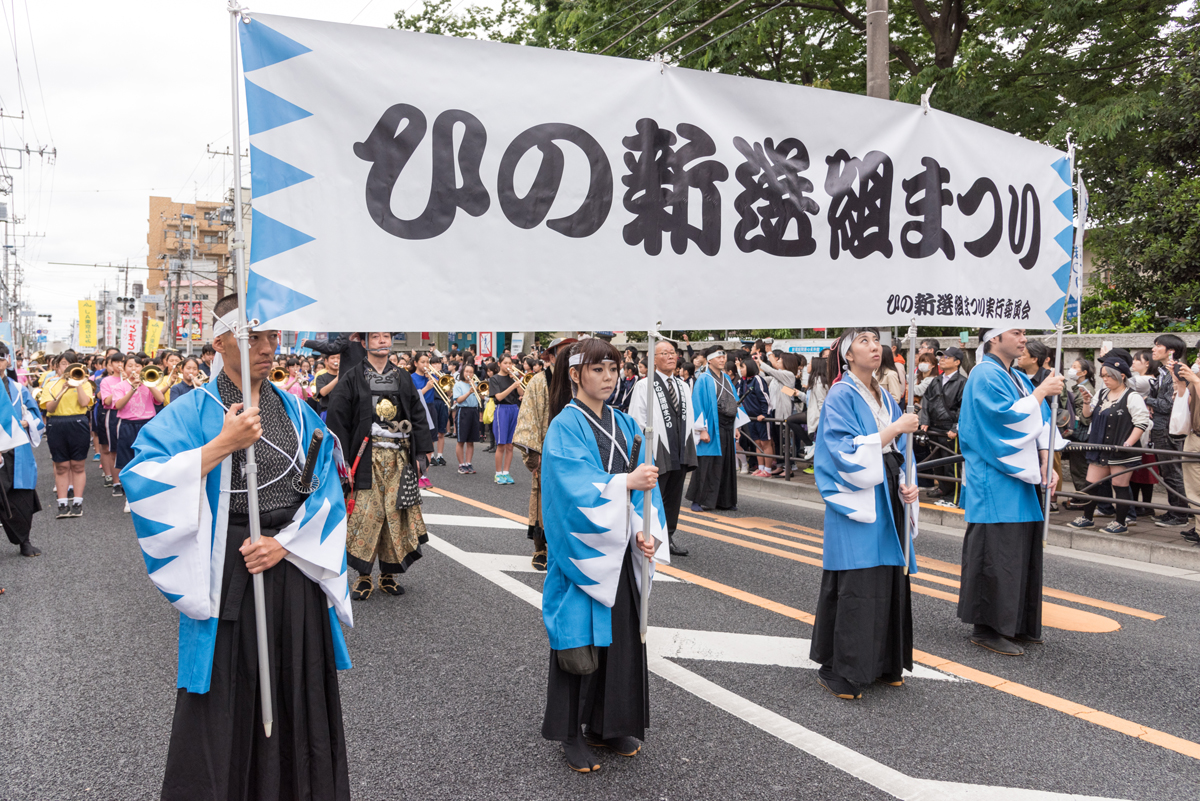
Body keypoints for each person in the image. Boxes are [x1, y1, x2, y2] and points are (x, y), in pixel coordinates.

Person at [123, 295, 352, 800]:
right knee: (226, 690)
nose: (269, 348)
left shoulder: (296, 409)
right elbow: (140, 480)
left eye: (273, 337)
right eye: (255, 337)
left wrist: (287, 546)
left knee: (298, 686)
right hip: (226, 564)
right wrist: (220, 445)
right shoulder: (191, 411)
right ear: (220, 340)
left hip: (289, 561)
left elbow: (329, 491)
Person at [539, 338, 668, 773]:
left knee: (620, 639)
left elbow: (646, 489)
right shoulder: (564, 425)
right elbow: (571, 489)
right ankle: (571, 732)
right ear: (575, 374)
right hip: (584, 551)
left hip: (620, 550)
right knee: (580, 643)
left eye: (614, 369)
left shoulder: (627, 424)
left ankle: (608, 724)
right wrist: (623, 484)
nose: (609, 377)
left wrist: (645, 534)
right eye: (598, 369)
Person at [810, 328, 919, 699]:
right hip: (858, 492)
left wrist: (906, 480)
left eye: (876, 341)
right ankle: (837, 667)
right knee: (857, 580)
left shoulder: (884, 394)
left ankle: (883, 661)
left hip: (886, 486)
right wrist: (894, 430)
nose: (874, 347)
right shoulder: (840, 394)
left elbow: (898, 449)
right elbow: (841, 450)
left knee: (886, 574)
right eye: (864, 341)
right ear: (847, 355)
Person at [957, 328, 1063, 656]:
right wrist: (1041, 392)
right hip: (994, 475)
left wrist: (1047, 459)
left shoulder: (1014, 375)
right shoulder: (984, 374)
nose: (1023, 339)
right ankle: (987, 627)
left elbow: (1040, 421)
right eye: (1016, 332)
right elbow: (1002, 420)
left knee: (1017, 552)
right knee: (996, 553)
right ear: (993, 338)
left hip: (1017, 475)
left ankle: (1015, 623)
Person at [327, 332, 432, 601]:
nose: (383, 340)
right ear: (364, 343)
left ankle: (388, 575)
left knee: (394, 517)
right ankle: (363, 577)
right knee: (366, 516)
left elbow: (417, 414)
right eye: (376, 336)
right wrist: (343, 460)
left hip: (398, 458)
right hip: (366, 459)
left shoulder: (403, 377)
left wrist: (423, 454)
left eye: (387, 336)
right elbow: (338, 418)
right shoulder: (352, 377)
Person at [1067, 356, 1151, 535]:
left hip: (1121, 448)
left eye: (1109, 376)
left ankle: (1121, 522)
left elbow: (1141, 423)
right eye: (1103, 375)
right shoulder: (1102, 393)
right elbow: (1088, 416)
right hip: (1099, 446)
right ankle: (1087, 518)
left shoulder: (1132, 396)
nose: (1105, 379)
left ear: (1121, 376)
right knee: (1091, 483)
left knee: (1119, 485)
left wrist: (1127, 443)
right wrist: (1087, 402)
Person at [629, 339, 697, 557]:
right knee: (654, 496)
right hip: (657, 447)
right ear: (654, 359)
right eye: (665, 353)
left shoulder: (683, 385)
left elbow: (689, 416)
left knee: (674, 496)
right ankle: (649, 538)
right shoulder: (644, 385)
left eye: (673, 352)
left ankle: (668, 537)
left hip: (680, 446)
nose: (670, 356)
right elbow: (637, 419)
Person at [514, 338, 577, 570]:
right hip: (546, 446)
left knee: (572, 497)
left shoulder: (579, 380)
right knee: (543, 497)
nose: (569, 357)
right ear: (550, 356)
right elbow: (528, 417)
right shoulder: (539, 382)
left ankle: (566, 546)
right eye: (563, 353)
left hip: (574, 447)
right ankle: (540, 548)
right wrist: (535, 453)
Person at [37, 351, 95, 519]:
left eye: (69, 364)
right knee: (61, 465)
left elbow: (85, 403)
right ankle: (62, 503)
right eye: (62, 364)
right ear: (56, 366)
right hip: (56, 423)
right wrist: (63, 389)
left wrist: (77, 383)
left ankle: (77, 502)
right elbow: (50, 408)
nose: (66, 367)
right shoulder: (51, 383)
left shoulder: (84, 382)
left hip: (78, 422)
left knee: (78, 465)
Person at [0, 345, 44, 558]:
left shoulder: (19, 389)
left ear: (7, 360)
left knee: (22, 496)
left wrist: (27, 422)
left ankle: (24, 541)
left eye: (1, 357)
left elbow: (36, 415)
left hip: (17, 450)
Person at [686, 345, 743, 512]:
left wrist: (736, 427)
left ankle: (725, 500)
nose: (722, 359)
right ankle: (697, 500)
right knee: (707, 463)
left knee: (726, 463)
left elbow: (734, 402)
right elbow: (698, 404)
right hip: (711, 425)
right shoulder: (703, 378)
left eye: (724, 356)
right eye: (718, 357)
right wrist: (702, 429)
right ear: (709, 360)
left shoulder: (726, 378)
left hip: (727, 425)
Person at [1148, 335, 1191, 528]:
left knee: (1172, 471)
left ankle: (1181, 514)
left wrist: (1145, 400)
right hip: (1162, 426)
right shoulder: (1164, 371)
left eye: (1158, 346)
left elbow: (1167, 404)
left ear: (1170, 351)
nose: (1153, 349)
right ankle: (1175, 510)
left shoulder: (1176, 371)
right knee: (1169, 471)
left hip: (1168, 428)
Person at [111, 354, 164, 508]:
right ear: (124, 368)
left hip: (147, 423)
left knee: (148, 460)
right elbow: (119, 405)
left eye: (137, 366)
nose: (134, 369)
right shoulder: (120, 386)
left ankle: (148, 495)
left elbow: (160, 399)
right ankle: (130, 498)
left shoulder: (149, 382)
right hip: (128, 425)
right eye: (130, 366)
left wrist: (148, 384)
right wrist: (133, 388)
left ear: (143, 368)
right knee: (129, 462)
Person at [918, 347, 966, 506]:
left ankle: (954, 496)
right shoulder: (936, 380)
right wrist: (924, 421)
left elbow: (963, 407)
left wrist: (955, 427)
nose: (942, 359)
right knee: (937, 462)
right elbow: (926, 401)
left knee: (951, 463)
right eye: (941, 357)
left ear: (957, 362)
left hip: (949, 428)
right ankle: (943, 489)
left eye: (947, 357)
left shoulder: (961, 382)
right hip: (934, 427)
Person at [1169, 361, 1200, 543]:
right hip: (1193, 436)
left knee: (1196, 488)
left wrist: (1195, 380)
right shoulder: (1195, 380)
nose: (1197, 361)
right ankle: (1198, 528)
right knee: (1193, 487)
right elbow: (1185, 404)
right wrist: (1180, 382)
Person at [488, 355, 525, 484]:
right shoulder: (494, 379)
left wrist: (516, 381)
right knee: (501, 444)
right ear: (499, 364)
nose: (508, 366)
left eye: (510, 363)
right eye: (505, 363)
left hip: (514, 409)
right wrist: (513, 386)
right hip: (502, 409)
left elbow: (521, 393)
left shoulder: (513, 378)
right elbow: (498, 397)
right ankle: (498, 474)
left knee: (510, 445)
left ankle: (506, 472)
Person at [412, 352, 449, 467]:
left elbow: (444, 389)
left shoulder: (431, 376)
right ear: (415, 363)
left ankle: (429, 460)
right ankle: (419, 462)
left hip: (431, 406)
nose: (426, 365)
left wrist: (434, 378)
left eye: (427, 362)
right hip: (419, 407)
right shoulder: (411, 377)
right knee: (419, 436)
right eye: (423, 362)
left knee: (432, 436)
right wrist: (427, 387)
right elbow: (413, 397)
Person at [738, 357, 775, 477]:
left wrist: (764, 414)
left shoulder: (757, 379)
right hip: (751, 418)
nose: (740, 369)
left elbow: (765, 398)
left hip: (762, 418)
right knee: (757, 443)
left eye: (742, 367)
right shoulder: (743, 381)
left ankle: (768, 470)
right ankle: (761, 468)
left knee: (766, 443)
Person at [95, 352, 125, 491]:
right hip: (112, 414)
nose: (120, 365)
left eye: (123, 362)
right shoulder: (106, 381)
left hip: (128, 415)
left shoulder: (133, 379)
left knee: (126, 449)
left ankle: (127, 481)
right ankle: (116, 482)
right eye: (116, 362)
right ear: (111, 365)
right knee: (113, 449)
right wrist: (121, 387)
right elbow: (106, 400)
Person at [453, 362, 482, 474]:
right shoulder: (458, 384)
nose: (468, 374)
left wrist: (478, 391)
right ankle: (461, 464)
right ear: (463, 372)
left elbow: (482, 397)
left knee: (471, 441)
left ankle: (468, 463)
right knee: (461, 440)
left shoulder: (475, 384)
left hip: (473, 411)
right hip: (463, 411)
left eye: (471, 372)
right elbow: (458, 400)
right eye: (466, 371)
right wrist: (470, 392)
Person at [313, 351, 342, 419]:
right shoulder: (321, 377)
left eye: (338, 358)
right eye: (332, 358)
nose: (336, 360)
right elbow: (322, 393)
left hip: (343, 412)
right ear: (326, 361)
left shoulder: (347, 376)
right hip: (327, 412)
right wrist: (337, 378)